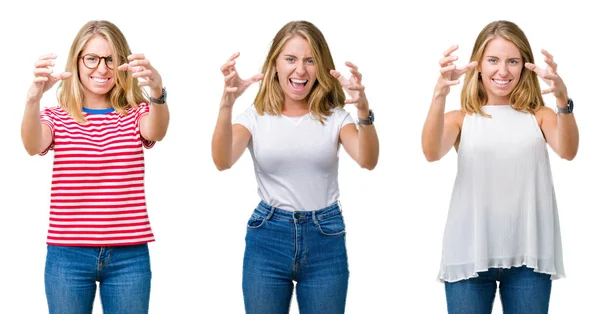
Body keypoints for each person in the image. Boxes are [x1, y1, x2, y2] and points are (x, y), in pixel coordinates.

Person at [211, 20, 379, 314]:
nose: (300, 70)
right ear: (275, 64)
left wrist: (363, 111)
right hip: (268, 238)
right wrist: (226, 104)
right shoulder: (255, 117)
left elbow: (368, 160)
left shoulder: (336, 117)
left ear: (321, 66)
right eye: (291, 59)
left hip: (325, 238)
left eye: (310, 60)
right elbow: (222, 160)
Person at [421, 20, 579, 314]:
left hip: (529, 258)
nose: (503, 71)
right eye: (493, 60)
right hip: (469, 254)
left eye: (512, 61)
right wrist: (439, 95)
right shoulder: (461, 118)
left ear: (524, 66)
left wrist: (561, 99)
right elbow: (431, 152)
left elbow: (568, 151)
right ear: (478, 65)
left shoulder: (540, 116)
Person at [21, 20, 169, 314]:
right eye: (92, 58)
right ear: (76, 61)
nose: (101, 69)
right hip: (68, 255)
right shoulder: (57, 117)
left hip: (129, 256)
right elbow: (32, 144)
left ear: (122, 65)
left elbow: (157, 131)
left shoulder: (136, 113)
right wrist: (33, 98)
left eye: (110, 59)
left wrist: (156, 89)